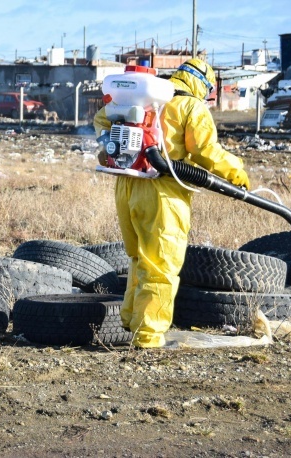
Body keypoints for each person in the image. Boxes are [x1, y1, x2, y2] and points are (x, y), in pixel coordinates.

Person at [93, 58, 250, 348]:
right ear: (202, 84)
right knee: (161, 266)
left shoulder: (143, 95)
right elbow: (205, 152)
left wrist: (108, 142)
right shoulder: (190, 106)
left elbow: (102, 119)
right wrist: (236, 171)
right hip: (162, 191)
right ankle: (148, 337)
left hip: (127, 184)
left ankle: (131, 320)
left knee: (139, 258)